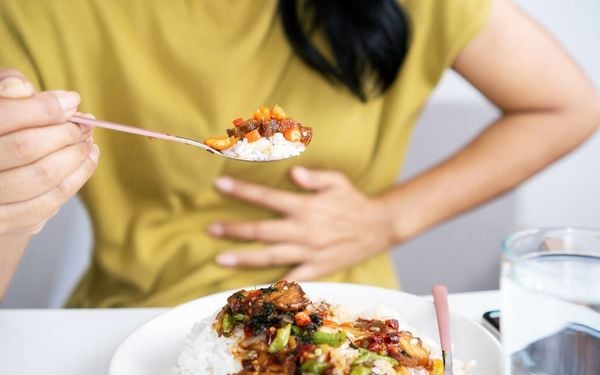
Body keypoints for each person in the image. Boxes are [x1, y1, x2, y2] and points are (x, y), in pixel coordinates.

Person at [0, 0, 598, 307]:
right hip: (132, 316)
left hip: (346, 310)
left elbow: (567, 106)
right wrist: (10, 209)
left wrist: (390, 218)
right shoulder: (40, 12)